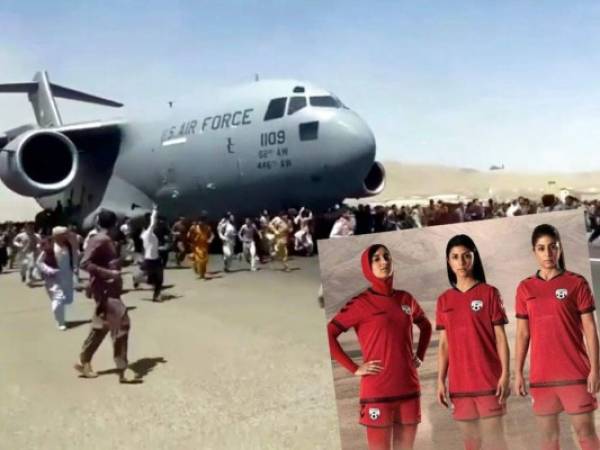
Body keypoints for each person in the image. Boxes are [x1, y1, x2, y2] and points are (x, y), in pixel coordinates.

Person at [327, 244, 432, 450]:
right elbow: (330, 333)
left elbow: (426, 325)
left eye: (387, 257)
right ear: (367, 267)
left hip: (409, 390)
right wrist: (355, 368)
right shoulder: (360, 303)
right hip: (377, 393)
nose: (384, 262)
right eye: (376, 259)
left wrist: (419, 355)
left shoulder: (406, 299)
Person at [514, 224, 600, 450]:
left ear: (560, 249)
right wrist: (517, 374)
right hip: (541, 378)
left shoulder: (576, 283)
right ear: (534, 251)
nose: (548, 254)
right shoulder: (525, 288)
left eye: (553, 247)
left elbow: (590, 328)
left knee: (586, 433)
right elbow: (523, 334)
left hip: (576, 374)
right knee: (548, 439)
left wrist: (595, 369)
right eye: (541, 248)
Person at [436, 234, 510, 450]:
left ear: (474, 258)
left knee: (496, 442)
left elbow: (500, 338)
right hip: (460, 386)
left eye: (466, 256)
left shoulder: (490, 293)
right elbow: (444, 345)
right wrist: (441, 379)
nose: (461, 262)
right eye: (455, 257)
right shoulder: (444, 300)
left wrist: (505, 374)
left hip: (489, 382)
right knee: (471, 444)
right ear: (448, 261)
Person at [75, 209, 134, 383]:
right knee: (122, 323)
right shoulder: (100, 239)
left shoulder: (106, 240)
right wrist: (109, 273)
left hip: (108, 289)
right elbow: (84, 263)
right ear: (115, 224)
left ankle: (84, 360)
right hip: (107, 290)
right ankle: (122, 369)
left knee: (101, 326)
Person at [36, 227, 77, 330]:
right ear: (57, 236)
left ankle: (59, 315)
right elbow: (39, 262)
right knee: (58, 299)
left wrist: (75, 267)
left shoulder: (68, 245)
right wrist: (49, 270)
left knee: (68, 299)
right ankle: (61, 322)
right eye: (64, 234)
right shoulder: (49, 247)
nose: (67, 236)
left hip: (67, 276)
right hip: (53, 278)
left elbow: (74, 255)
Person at [133, 206, 164, 302]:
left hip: (156, 259)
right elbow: (153, 222)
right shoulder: (147, 234)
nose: (156, 225)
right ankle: (137, 279)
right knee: (151, 279)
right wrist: (155, 210)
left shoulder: (150, 234)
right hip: (149, 260)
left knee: (158, 279)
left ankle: (156, 296)